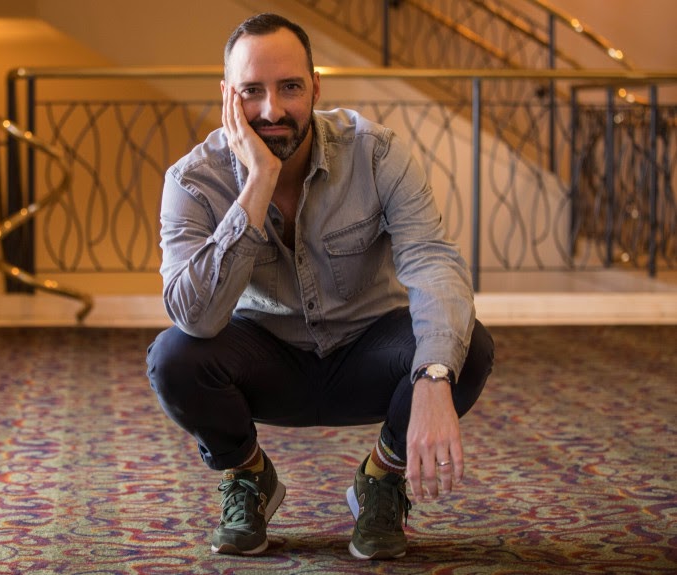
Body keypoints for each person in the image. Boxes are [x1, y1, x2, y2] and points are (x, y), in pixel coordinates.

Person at [146, 12, 495, 560]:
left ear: (315, 87)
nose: (272, 110)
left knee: (463, 347)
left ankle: (382, 478)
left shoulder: (377, 153)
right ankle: (249, 477)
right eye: (252, 91)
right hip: (266, 359)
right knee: (173, 357)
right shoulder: (192, 179)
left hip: (368, 351)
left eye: (289, 87)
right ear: (227, 96)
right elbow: (195, 316)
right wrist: (259, 181)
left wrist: (432, 376)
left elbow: (431, 261)